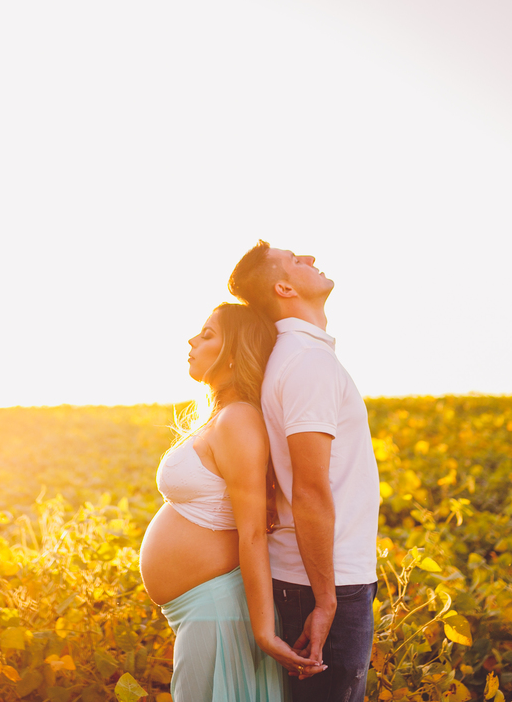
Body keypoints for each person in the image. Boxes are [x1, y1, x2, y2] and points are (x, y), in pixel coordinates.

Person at [140, 302, 322, 701]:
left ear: (235, 353)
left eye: (207, 335)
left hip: (221, 611)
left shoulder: (238, 419)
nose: (192, 340)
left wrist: (262, 631)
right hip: (205, 612)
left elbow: (253, 531)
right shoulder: (222, 416)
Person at [228, 241, 381, 702]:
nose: (310, 259)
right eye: (296, 260)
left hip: (322, 577)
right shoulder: (308, 363)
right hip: (326, 582)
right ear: (284, 287)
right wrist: (327, 600)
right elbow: (310, 489)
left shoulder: (303, 357)